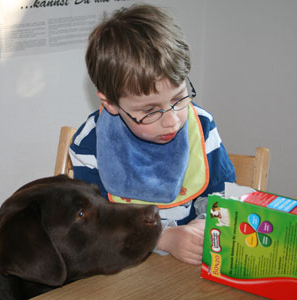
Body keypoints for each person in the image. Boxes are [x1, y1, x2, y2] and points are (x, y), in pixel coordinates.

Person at [69, 4, 236, 265]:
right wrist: (163, 238)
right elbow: (96, 228)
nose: (172, 121)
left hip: (185, 270)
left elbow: (223, 195)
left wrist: (207, 227)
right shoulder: (89, 146)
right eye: (149, 111)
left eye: (179, 98)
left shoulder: (201, 127)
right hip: (125, 272)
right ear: (111, 102)